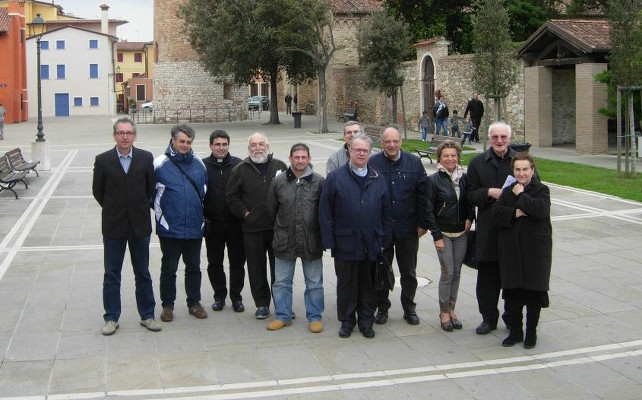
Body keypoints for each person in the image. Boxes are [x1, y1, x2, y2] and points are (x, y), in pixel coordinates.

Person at [92, 117, 161, 335]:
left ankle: (147, 315)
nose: (125, 137)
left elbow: (151, 189)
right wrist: (115, 208)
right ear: (114, 135)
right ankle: (111, 317)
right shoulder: (102, 160)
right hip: (113, 227)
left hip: (140, 226)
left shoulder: (145, 158)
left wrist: (135, 208)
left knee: (142, 272)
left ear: (134, 136)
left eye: (129, 133)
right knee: (111, 274)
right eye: (121, 133)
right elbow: (98, 191)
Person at [319, 134, 392, 339]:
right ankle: (347, 321)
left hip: (371, 242)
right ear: (349, 151)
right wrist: (329, 241)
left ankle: (366, 321)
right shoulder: (335, 178)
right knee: (347, 285)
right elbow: (325, 211)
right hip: (345, 242)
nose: (361, 153)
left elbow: (386, 212)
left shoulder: (378, 178)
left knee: (368, 286)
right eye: (357, 149)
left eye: (365, 150)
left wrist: (384, 240)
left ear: (370, 153)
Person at [369, 125, 428, 326]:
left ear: (401, 142)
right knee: (382, 270)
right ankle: (382, 308)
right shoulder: (373, 163)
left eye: (395, 141)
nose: (392, 145)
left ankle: (409, 307)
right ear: (381, 143)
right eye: (388, 141)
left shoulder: (414, 163)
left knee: (408, 272)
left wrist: (423, 223)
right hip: (382, 228)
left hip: (408, 227)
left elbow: (423, 196)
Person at [491, 153, 551, 348]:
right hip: (512, 251)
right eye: (518, 169)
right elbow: (496, 214)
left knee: (533, 294)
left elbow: (539, 210)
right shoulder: (507, 191)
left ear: (532, 171)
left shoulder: (542, 190)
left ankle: (531, 333)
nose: (522, 173)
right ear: (513, 171)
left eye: (525, 169)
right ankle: (515, 331)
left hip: (535, 252)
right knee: (513, 295)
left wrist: (521, 195)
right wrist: (515, 212)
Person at [226, 133, 287, 319]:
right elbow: (231, 196)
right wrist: (245, 214)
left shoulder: (280, 166)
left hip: (277, 228)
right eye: (253, 145)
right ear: (248, 148)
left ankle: (282, 304)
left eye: (261, 144)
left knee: (280, 269)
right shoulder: (239, 170)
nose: (258, 148)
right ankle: (261, 304)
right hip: (252, 229)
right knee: (256, 268)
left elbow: (290, 190)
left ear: (268, 146)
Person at [266, 143, 325, 333]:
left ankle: (315, 316)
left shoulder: (319, 181)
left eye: (303, 157)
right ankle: (283, 315)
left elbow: (324, 211)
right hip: (285, 238)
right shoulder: (279, 182)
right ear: (290, 158)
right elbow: (271, 209)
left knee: (314, 282)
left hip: (311, 239)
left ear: (309, 159)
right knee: (281, 281)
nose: (300, 161)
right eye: (296, 157)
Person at [466, 121, 518, 335]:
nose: (499, 141)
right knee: (487, 279)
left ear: (509, 138)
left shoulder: (519, 161)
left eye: (503, 137)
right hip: (488, 229)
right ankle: (488, 318)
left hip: (513, 229)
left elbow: (533, 187)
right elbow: (469, 195)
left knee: (513, 278)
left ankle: (512, 317)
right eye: (495, 137)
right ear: (489, 138)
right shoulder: (478, 163)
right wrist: (488, 192)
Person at [154, 124, 208, 322]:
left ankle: (194, 303)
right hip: (170, 228)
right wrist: (164, 215)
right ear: (173, 140)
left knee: (194, 267)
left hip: (194, 226)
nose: (185, 145)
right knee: (169, 269)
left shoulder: (198, 164)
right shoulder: (159, 163)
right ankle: (167, 306)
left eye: (188, 142)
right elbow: (151, 195)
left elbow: (204, 191)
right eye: (182, 141)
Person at [425, 140, 474, 332]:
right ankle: (443, 311)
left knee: (458, 272)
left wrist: (471, 217)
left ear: (458, 157)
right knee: (448, 273)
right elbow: (428, 210)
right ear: (440, 159)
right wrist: (436, 235)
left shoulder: (465, 178)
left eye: (453, 155)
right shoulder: (433, 181)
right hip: (443, 233)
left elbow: (470, 200)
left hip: (461, 231)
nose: (450, 159)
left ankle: (452, 309)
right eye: (446, 156)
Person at [202, 130, 246, 313]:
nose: (221, 148)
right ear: (211, 145)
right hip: (213, 224)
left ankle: (236, 297)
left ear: (228, 145)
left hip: (235, 224)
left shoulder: (239, 165)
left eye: (224, 144)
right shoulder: (202, 166)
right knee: (215, 263)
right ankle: (219, 296)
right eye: (217, 144)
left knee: (237, 263)